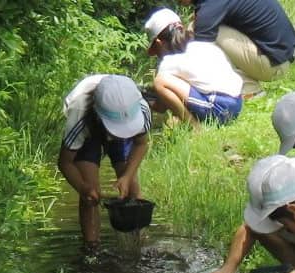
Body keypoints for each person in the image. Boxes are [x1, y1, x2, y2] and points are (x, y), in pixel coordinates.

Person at [58, 74, 151, 250]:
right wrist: (82, 188)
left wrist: (127, 176)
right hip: (89, 132)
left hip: (117, 119)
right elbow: (65, 162)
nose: (118, 134)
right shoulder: (79, 115)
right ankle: (92, 249)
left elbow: (141, 144)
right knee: (90, 194)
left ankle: (139, 245)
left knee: (132, 188)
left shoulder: (140, 109)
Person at [144, 8, 243, 129]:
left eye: (156, 51)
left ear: (159, 43)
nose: (157, 55)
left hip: (220, 108)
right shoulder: (202, 44)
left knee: (160, 82)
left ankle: (196, 129)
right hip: (236, 104)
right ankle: (195, 122)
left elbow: (161, 107)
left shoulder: (168, 63)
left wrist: (143, 99)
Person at [178, 0, 295, 97]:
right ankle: (244, 85)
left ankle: (248, 89)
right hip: (282, 57)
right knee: (202, 28)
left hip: (274, 64)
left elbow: (200, 50)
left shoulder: (211, 4)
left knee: (198, 34)